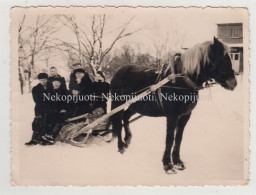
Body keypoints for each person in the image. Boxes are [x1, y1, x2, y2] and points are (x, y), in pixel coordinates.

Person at [25, 73, 52, 145]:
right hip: (40, 108)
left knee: (47, 123)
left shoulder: (51, 87)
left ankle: (43, 139)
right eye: (41, 80)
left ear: (47, 79)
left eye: (45, 80)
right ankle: (34, 139)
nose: (43, 81)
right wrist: (48, 100)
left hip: (50, 108)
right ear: (39, 80)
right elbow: (36, 100)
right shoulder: (36, 88)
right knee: (38, 123)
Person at [45, 75, 68, 141]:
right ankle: (47, 134)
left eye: (58, 82)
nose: (56, 84)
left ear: (60, 84)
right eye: (55, 82)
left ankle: (52, 136)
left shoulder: (64, 92)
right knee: (48, 116)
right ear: (52, 83)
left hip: (61, 110)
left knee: (60, 118)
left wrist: (64, 109)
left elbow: (66, 102)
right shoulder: (50, 92)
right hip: (53, 110)